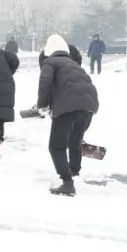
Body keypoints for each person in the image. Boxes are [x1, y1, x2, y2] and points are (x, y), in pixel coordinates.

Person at [37, 35, 100, 196]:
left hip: (68, 108)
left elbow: (45, 83)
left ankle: (67, 182)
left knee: (56, 146)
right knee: (75, 141)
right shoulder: (74, 63)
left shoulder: (50, 62)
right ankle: (74, 172)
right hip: (88, 107)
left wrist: (42, 105)